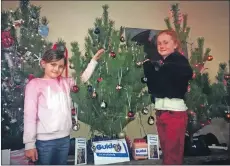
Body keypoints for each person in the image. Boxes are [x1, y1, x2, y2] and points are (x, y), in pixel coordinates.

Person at [23, 48, 105, 165]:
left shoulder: (66, 83)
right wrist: (29, 144)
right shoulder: (34, 85)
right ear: (43, 63)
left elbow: (82, 79)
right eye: (53, 64)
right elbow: (29, 116)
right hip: (44, 142)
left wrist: (93, 61)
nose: (57, 69)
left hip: (64, 139)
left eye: (60, 66)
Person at [143, 29, 193, 165]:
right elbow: (155, 87)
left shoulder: (178, 62)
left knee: (172, 157)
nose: (161, 46)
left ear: (175, 45)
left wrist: (148, 67)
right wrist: (151, 68)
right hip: (162, 112)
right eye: (159, 43)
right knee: (167, 154)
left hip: (174, 113)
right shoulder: (164, 63)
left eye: (165, 42)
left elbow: (159, 86)